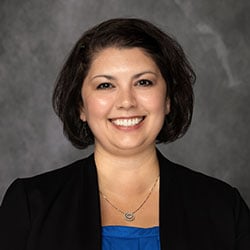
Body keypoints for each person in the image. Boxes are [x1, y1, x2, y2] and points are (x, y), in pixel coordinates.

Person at [0, 17, 250, 250]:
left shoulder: (224, 207)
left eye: (143, 82)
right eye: (106, 85)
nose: (126, 102)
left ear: (168, 99)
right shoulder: (30, 206)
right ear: (80, 106)